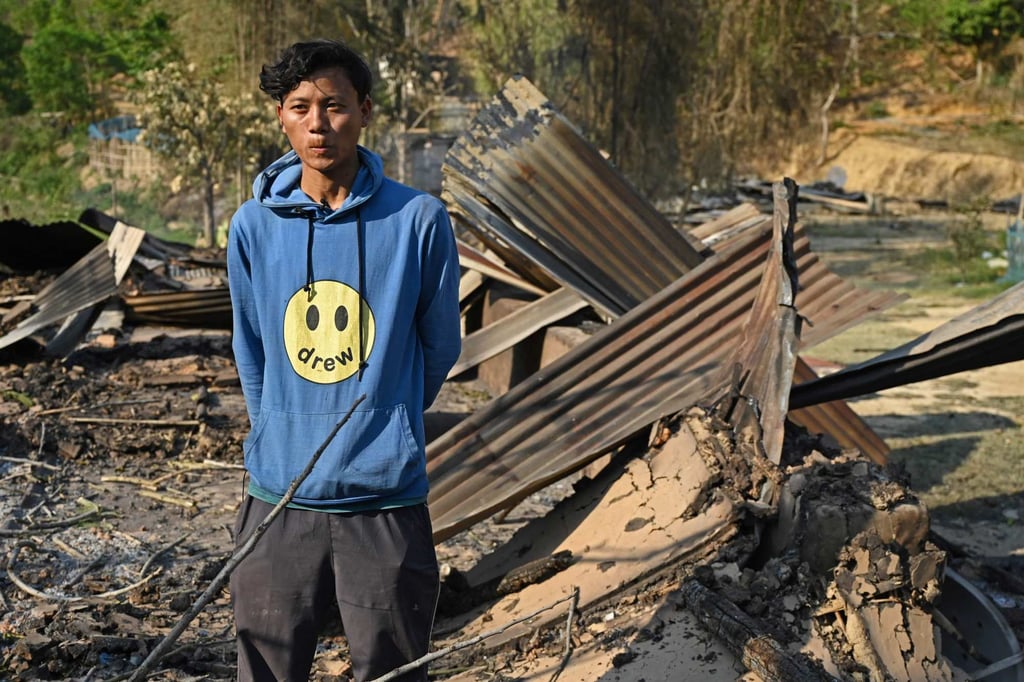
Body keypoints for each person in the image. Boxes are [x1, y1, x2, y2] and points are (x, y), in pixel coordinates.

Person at [226, 38, 462, 682]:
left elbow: (441, 344)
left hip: (384, 501)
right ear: (281, 116)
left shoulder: (419, 220)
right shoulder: (252, 226)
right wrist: (281, 427)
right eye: (299, 107)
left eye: (333, 105)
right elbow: (251, 347)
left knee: (393, 671)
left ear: (363, 109)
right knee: (266, 672)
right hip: (279, 498)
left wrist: (389, 423)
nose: (318, 123)